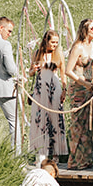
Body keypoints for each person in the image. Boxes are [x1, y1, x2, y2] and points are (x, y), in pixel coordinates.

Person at [64, 18, 93, 169]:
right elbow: (68, 71)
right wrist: (84, 82)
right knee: (78, 124)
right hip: (78, 88)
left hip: (90, 88)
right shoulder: (77, 47)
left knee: (88, 125)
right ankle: (74, 160)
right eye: (92, 28)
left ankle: (86, 159)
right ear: (85, 30)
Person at [28, 29, 67, 160]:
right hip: (40, 88)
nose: (55, 45)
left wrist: (64, 90)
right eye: (53, 42)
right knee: (40, 120)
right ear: (46, 41)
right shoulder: (38, 53)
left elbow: (63, 73)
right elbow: (30, 73)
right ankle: (40, 152)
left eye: (57, 43)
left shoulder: (58, 54)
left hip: (54, 87)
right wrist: (34, 69)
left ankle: (55, 153)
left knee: (54, 119)